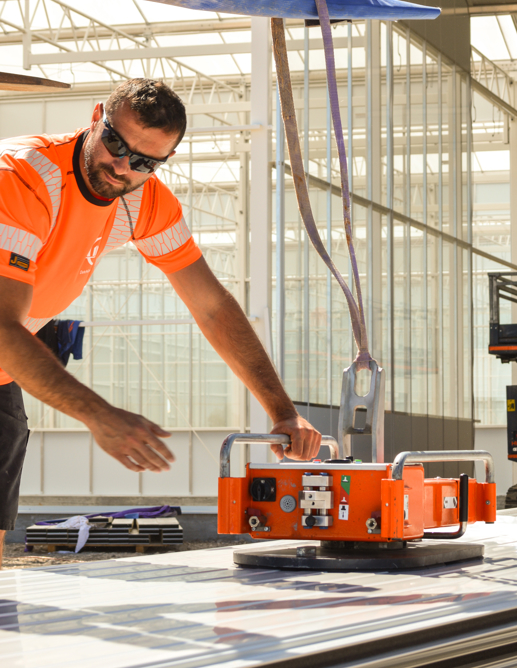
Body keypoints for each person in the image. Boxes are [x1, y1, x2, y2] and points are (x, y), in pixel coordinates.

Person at [0, 78, 321, 566]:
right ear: (94, 118)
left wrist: (282, 410)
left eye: (146, 162)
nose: (123, 167)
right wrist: (99, 415)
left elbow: (211, 306)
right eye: (115, 143)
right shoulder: (24, 177)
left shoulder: (141, 199)